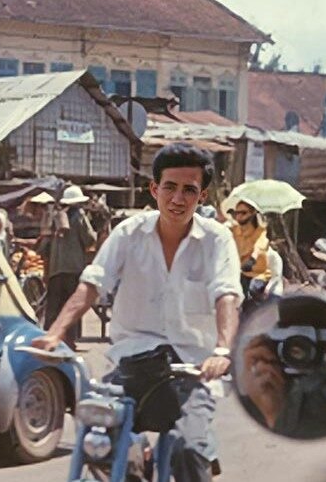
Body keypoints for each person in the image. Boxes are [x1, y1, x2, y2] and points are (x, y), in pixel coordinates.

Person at [34, 142, 241, 482]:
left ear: (201, 196)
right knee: (99, 445)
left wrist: (221, 349)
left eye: (189, 190)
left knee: (188, 450)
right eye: (170, 187)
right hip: (130, 364)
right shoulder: (128, 234)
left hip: (191, 369)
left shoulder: (217, 240)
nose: (178, 199)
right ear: (154, 188)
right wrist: (55, 333)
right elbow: (92, 284)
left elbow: (227, 295)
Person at [39, 184, 95, 349]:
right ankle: (70, 340)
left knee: (54, 305)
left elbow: (45, 244)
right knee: (72, 304)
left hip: (56, 269)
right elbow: (89, 238)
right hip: (73, 269)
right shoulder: (79, 216)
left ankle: (49, 336)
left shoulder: (56, 217)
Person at [230, 200, 273, 315]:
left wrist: (252, 259)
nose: (239, 216)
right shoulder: (234, 230)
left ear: (252, 213)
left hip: (257, 274)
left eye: (243, 213)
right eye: (236, 213)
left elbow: (260, 246)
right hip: (240, 272)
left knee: (252, 291)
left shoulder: (260, 231)